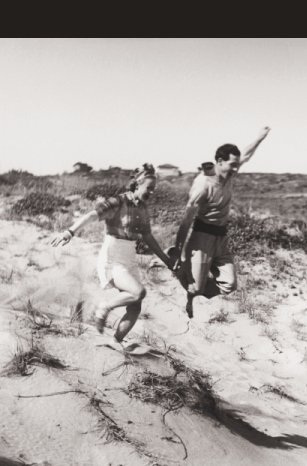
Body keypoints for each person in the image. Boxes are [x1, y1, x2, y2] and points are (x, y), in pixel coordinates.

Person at [50, 166, 173, 345]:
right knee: (139, 292)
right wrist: (70, 232)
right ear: (138, 184)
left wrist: (167, 261)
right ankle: (104, 307)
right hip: (113, 256)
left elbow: (148, 237)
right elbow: (92, 215)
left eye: (154, 188)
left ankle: (115, 342)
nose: (152, 192)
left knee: (135, 308)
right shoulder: (118, 201)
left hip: (130, 256)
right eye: (149, 187)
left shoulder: (143, 208)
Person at [173, 127, 272, 318]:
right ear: (219, 162)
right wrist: (179, 250)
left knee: (229, 284)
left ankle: (193, 281)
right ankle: (178, 270)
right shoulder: (203, 185)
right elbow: (187, 220)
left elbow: (246, 155)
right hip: (201, 238)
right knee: (196, 288)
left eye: (237, 164)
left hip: (222, 238)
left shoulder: (230, 173)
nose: (236, 168)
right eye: (232, 165)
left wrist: (260, 137)